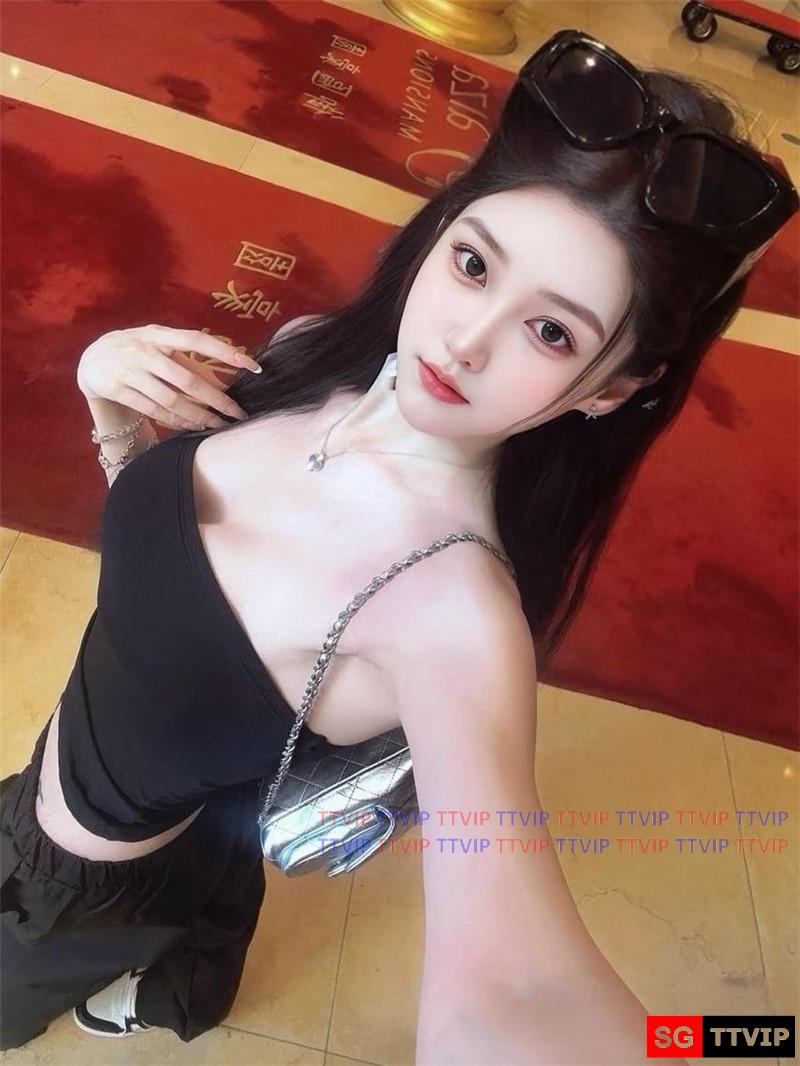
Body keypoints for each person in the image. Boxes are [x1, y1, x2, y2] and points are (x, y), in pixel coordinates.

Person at [1, 27, 796, 1063]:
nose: (464, 340)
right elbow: (162, 593)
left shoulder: (452, 615)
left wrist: (716, 1042)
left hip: (74, 893)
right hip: (74, 775)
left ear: (612, 388)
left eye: (550, 331)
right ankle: (181, 971)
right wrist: (108, 399)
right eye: (472, 264)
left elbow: (512, 989)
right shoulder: (306, 359)